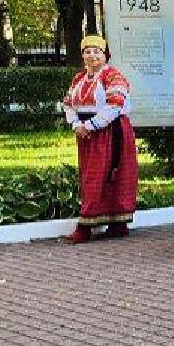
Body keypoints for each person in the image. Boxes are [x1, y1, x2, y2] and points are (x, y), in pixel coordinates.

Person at [62, 35, 139, 243]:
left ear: (105, 55)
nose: (92, 55)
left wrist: (90, 126)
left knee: (110, 175)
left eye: (97, 51)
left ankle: (96, 226)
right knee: (91, 176)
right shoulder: (79, 79)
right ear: (82, 55)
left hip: (111, 130)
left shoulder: (113, 76)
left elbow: (115, 103)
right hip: (87, 134)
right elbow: (68, 103)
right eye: (88, 51)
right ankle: (112, 223)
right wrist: (76, 124)